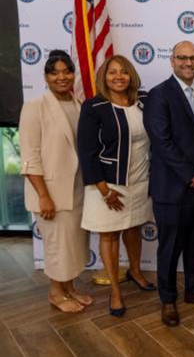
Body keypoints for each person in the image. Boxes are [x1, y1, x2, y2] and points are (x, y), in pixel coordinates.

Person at [144, 41, 194, 327]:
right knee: (170, 247)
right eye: (182, 58)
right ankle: (168, 299)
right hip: (172, 189)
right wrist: (193, 175)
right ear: (172, 61)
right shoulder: (158, 95)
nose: (188, 63)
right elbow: (162, 143)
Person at [78, 55, 156, 317]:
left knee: (134, 227)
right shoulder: (94, 107)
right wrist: (105, 190)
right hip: (108, 184)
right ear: (104, 77)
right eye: (112, 72)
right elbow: (87, 152)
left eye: (124, 72)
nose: (119, 77)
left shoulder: (144, 102)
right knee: (109, 235)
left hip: (140, 180)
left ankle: (135, 270)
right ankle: (115, 290)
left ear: (131, 75)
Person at [19, 50, 92, 313]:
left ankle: (70, 288)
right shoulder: (35, 107)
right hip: (50, 192)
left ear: (73, 74)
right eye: (54, 72)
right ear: (46, 77)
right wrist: (43, 195)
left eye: (66, 71)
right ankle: (55, 293)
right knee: (56, 245)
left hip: (78, 189)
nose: (62, 77)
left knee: (72, 244)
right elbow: (29, 156)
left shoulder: (79, 104)